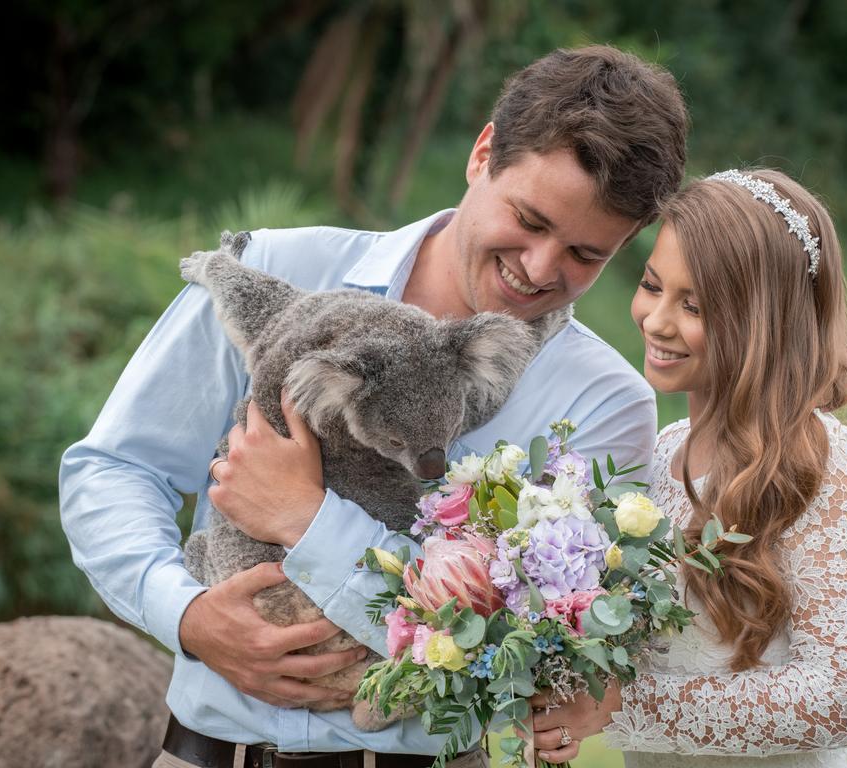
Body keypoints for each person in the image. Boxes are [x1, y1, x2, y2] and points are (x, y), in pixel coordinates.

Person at [59, 45, 689, 767]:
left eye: (586, 254)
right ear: (483, 153)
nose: (540, 269)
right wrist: (188, 614)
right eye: (530, 219)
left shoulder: (605, 405)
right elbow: (113, 467)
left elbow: (536, 652)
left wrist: (308, 520)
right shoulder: (272, 271)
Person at [529, 169, 847, 766]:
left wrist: (623, 708)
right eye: (652, 286)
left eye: (694, 305)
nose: (656, 320)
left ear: (764, 323)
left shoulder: (820, 462)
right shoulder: (653, 460)